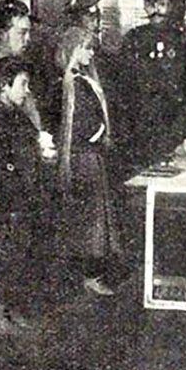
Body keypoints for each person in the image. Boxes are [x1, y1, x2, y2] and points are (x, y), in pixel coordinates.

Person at [0, 60, 54, 335]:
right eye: (22, 84)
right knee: (1, 256)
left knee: (16, 255)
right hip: (4, 200)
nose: (27, 90)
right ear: (3, 86)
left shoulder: (15, 114)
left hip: (21, 196)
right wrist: (16, 194)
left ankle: (9, 309)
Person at [117, 0, 186, 169]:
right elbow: (122, 87)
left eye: (161, 4)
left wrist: (183, 124)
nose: (155, 10)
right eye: (149, 4)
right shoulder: (133, 38)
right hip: (140, 126)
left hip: (176, 124)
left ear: (171, 5)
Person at [56, 26, 122, 297]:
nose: (91, 53)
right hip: (85, 157)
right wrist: (101, 133)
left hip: (87, 156)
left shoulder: (79, 79)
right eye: (86, 48)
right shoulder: (74, 82)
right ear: (74, 50)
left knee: (90, 217)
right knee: (90, 219)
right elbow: (83, 125)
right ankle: (88, 276)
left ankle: (88, 275)